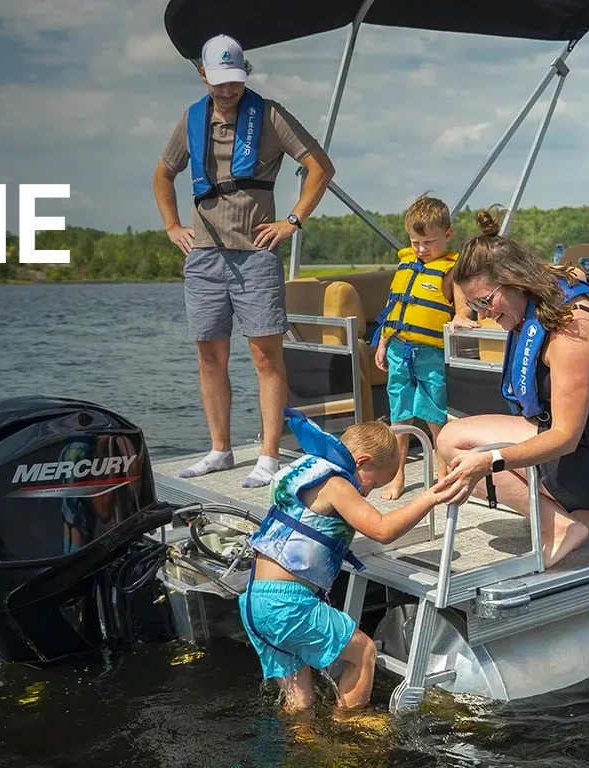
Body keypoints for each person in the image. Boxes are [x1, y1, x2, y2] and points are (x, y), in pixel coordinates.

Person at [153, 34, 336, 488]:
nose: (228, 91)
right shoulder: (192, 118)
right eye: (219, 82)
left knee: (265, 357)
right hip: (204, 258)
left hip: (256, 255)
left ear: (244, 74)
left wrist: (292, 220)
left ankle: (269, 455)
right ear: (203, 75)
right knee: (209, 357)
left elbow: (320, 167)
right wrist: (174, 226)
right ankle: (220, 450)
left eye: (235, 81)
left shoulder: (269, 114)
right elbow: (163, 173)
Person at [434, 209, 589, 568]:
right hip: (586, 444)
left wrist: (489, 462)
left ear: (516, 282)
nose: (483, 313)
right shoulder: (544, 292)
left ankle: (562, 526)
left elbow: (564, 437)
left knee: (454, 444)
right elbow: (572, 271)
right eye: (474, 305)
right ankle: (573, 515)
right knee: (456, 439)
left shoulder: (569, 334)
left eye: (486, 301)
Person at [240, 410, 470, 713]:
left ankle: (302, 742)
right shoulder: (336, 484)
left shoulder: (307, 469)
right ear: (361, 462)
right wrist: (429, 498)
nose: (368, 492)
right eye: (373, 484)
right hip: (288, 605)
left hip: (256, 601)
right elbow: (382, 530)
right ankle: (349, 730)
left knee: (300, 702)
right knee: (363, 652)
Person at [370, 194, 474, 500]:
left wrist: (460, 320)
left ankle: (442, 473)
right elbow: (392, 310)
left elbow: (463, 308)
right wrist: (383, 341)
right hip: (398, 349)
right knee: (400, 415)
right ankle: (398, 474)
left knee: (434, 416)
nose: (421, 249)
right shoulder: (406, 264)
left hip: (429, 354)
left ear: (448, 235)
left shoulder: (451, 270)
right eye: (415, 242)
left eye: (428, 242)